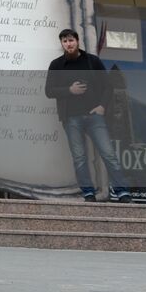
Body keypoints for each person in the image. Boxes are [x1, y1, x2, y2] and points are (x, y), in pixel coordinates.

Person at [46, 28, 132, 203]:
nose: (68, 44)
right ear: (61, 44)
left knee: (108, 153)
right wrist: (69, 90)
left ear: (77, 41)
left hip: (94, 116)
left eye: (71, 40)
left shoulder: (92, 61)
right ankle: (88, 193)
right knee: (79, 157)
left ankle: (122, 191)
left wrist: (101, 107)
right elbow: (49, 91)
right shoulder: (56, 65)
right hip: (71, 118)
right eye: (64, 41)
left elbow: (108, 86)